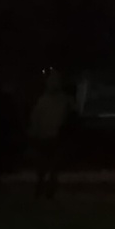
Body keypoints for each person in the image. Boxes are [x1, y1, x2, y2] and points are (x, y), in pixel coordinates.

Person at [27, 66, 71, 197]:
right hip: (49, 137)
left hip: (49, 137)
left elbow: (35, 118)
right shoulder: (60, 100)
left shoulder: (52, 100)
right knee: (49, 166)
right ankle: (46, 187)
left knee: (48, 165)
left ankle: (44, 187)